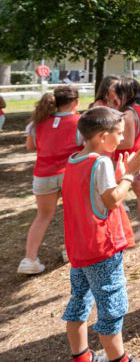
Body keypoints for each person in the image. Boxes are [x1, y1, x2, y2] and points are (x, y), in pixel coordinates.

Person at [62, 106, 140, 362]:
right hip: (102, 249)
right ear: (102, 136)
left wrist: (119, 175)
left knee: (79, 300)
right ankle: (119, 358)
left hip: (80, 248)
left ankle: (81, 356)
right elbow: (112, 200)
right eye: (119, 133)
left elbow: (93, 197)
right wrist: (131, 172)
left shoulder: (74, 159)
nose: (122, 138)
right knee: (111, 307)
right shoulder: (100, 162)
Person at [18, 85, 81, 275]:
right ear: (75, 102)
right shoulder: (79, 121)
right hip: (69, 173)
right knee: (73, 212)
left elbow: (30, 146)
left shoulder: (39, 122)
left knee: (43, 216)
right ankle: (70, 250)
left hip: (43, 174)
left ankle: (29, 259)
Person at [114, 78, 140, 240]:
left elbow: (128, 142)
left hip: (134, 159)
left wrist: (104, 144)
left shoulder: (129, 114)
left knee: (128, 194)